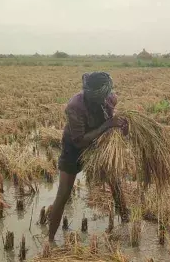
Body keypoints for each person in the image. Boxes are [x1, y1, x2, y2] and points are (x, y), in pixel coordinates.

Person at [48, 72, 128, 242]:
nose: (104, 100)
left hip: (99, 144)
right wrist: (108, 124)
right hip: (74, 148)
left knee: (115, 183)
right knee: (63, 193)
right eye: (100, 98)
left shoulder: (110, 98)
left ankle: (126, 222)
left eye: (105, 97)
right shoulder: (74, 107)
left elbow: (114, 124)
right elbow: (79, 141)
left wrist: (123, 126)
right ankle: (49, 240)